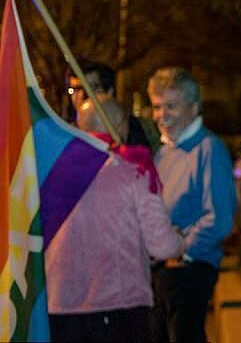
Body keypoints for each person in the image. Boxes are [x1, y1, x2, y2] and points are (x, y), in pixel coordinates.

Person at [46, 98, 182, 343]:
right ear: (120, 126)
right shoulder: (133, 170)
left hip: (58, 308)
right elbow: (162, 246)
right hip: (119, 305)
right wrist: (180, 241)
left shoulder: (50, 171)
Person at [147, 67, 236, 343]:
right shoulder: (164, 152)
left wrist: (181, 249)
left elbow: (219, 219)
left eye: (171, 106)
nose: (162, 115)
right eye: (157, 107)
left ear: (194, 107)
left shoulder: (209, 149)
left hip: (188, 271)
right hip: (161, 270)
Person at [68, 60, 154, 150]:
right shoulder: (68, 132)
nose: (82, 95)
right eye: (75, 89)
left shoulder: (134, 130)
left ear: (109, 91)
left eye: (91, 87)